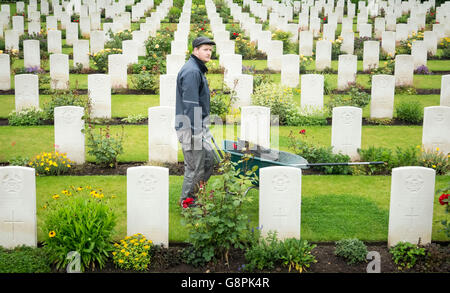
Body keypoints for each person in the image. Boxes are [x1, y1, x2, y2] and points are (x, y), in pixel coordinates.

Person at [174, 37, 220, 207]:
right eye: (205, 49)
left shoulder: (196, 69)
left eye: (210, 50)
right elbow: (191, 105)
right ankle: (187, 202)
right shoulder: (192, 72)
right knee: (195, 167)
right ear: (195, 51)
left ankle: (195, 196)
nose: (209, 52)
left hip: (197, 126)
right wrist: (197, 132)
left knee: (208, 162)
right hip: (191, 128)